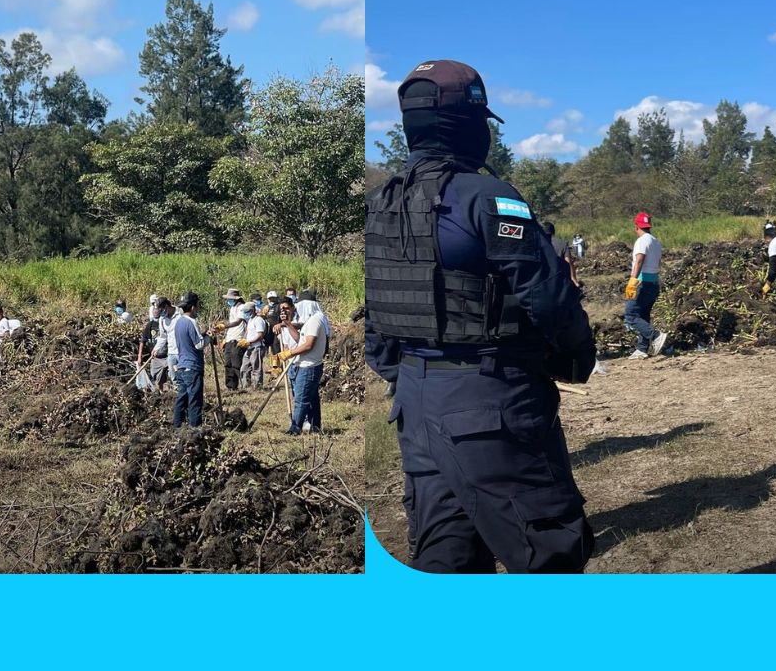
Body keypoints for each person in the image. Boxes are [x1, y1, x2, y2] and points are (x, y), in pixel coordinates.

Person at [363, 59, 597, 574]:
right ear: (469, 125)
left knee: (447, 555)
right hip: (490, 400)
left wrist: (403, 374)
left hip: (414, 402)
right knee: (551, 551)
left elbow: (376, 311)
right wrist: (579, 356)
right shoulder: (490, 198)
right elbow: (549, 295)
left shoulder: (381, 204)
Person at [276, 296, 328, 434]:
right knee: (311, 399)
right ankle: (315, 427)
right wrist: (287, 323)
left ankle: (295, 428)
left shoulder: (315, 321)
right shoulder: (311, 321)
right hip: (306, 365)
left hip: (308, 367)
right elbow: (300, 340)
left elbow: (308, 345)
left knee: (301, 400)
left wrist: (289, 353)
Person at [622, 211, 669, 359]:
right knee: (643, 315)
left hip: (642, 282)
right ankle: (642, 348)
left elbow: (639, 260)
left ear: (637, 227)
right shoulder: (655, 241)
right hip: (654, 282)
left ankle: (655, 335)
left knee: (630, 315)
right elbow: (658, 263)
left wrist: (632, 281)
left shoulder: (642, 241)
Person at [170, 291, 207, 428]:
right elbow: (199, 344)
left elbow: (189, 341)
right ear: (192, 307)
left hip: (181, 366)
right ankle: (195, 430)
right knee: (194, 400)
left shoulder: (178, 322)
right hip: (193, 367)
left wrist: (204, 334)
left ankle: (177, 426)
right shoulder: (192, 322)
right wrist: (209, 337)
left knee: (181, 398)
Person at [137, 296, 177, 391]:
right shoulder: (154, 323)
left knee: (173, 377)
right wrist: (154, 349)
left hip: (170, 354)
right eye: (155, 309)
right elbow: (161, 338)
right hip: (157, 356)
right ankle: (161, 394)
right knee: (157, 379)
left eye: (159, 310)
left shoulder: (174, 319)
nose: (156, 311)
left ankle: (174, 394)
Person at [218, 288, 245, 392]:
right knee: (228, 363)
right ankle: (230, 386)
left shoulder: (241, 307)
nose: (228, 300)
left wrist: (224, 326)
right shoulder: (232, 308)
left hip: (238, 338)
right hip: (230, 338)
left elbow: (238, 322)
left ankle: (241, 384)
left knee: (236, 363)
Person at [237, 301, 268, 390]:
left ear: (252, 310)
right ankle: (245, 386)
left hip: (256, 347)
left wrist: (250, 342)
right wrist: (243, 340)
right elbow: (247, 332)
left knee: (256, 368)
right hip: (249, 347)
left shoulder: (259, 320)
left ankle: (257, 387)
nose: (245, 313)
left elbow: (260, 335)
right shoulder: (250, 320)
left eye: (247, 311)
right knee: (244, 367)